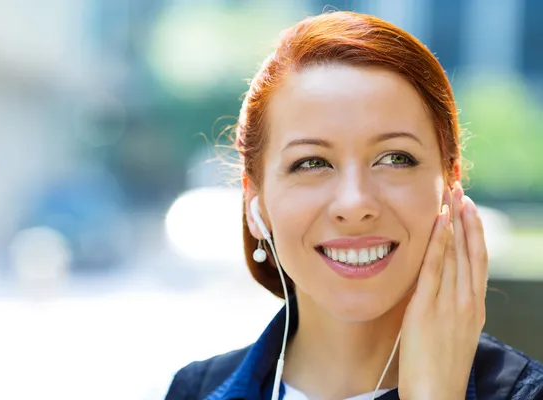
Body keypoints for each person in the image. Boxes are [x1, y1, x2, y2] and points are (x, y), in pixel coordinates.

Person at [165, 11, 543, 400]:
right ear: (253, 204)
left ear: (450, 186)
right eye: (311, 163)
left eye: (396, 158)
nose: (355, 203)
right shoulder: (194, 390)